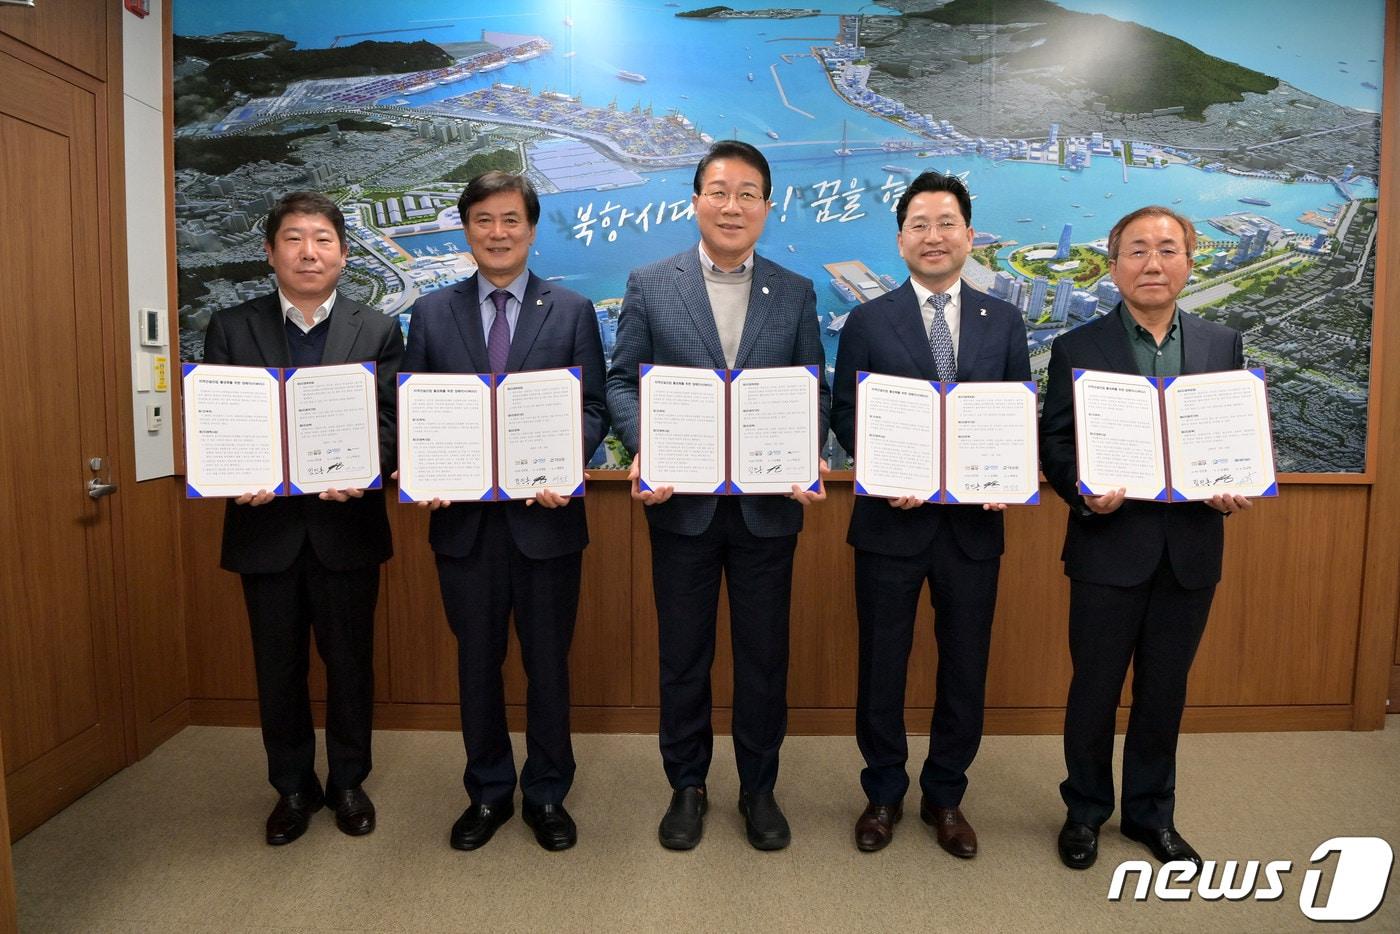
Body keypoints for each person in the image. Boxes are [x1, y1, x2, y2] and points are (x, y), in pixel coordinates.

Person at [606, 140, 830, 851]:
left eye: (748, 193)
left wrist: (806, 451)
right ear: (695, 199)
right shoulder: (651, 282)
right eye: (720, 191)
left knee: (764, 657)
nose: (733, 206)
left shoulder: (794, 291)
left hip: (768, 509)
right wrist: (649, 443)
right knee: (684, 655)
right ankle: (688, 785)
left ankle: (759, 788)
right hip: (683, 505)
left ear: (767, 206)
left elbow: (812, 389)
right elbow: (619, 381)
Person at [401, 172, 608, 852]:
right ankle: (488, 792)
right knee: (476, 664)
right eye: (484, 220)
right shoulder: (431, 314)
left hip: (546, 521)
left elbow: (594, 409)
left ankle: (548, 793)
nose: (498, 233)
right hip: (464, 527)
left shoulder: (572, 310)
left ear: (531, 228)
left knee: (550, 664)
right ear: (466, 229)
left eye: (511, 220)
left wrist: (560, 461)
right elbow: (416, 411)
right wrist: (422, 468)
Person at [1040, 205, 1250, 871]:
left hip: (1190, 549)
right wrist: (1082, 490)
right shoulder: (1078, 347)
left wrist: (1230, 482)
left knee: (1165, 691)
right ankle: (1084, 813)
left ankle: (1150, 815)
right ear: (1113, 266)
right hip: (1108, 546)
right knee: (1094, 689)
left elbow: (1231, 437)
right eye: (1136, 251)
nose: (1152, 263)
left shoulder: (1222, 343)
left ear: (1190, 262)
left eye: (1167, 249)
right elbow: (1056, 443)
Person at [830, 171, 1031, 856]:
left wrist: (1008, 469)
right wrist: (888, 473)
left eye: (946, 223)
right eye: (919, 223)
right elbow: (846, 415)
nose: (933, 236)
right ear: (900, 240)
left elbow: (1014, 411)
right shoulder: (865, 320)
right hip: (890, 524)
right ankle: (883, 790)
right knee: (881, 663)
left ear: (969, 236)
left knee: (965, 666)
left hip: (974, 529)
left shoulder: (1003, 320)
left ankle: (946, 795)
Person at [202, 191, 402, 845]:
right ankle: (291, 787)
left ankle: (347, 781)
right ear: (270, 252)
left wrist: (365, 465)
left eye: (322, 238)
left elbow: (392, 424)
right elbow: (221, 419)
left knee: (350, 662)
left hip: (346, 526)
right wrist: (235, 474)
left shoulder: (376, 329)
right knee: (277, 666)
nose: (308, 251)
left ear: (344, 254)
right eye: (293, 238)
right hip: (266, 530)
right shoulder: (232, 328)